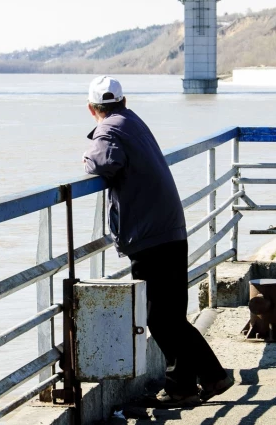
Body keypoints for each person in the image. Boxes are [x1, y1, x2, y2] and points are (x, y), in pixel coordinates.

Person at [82, 75, 233, 406]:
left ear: (92, 108)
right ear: (124, 101)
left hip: (150, 234)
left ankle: (206, 379)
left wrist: (87, 155)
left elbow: (103, 161)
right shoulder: (133, 121)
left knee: (159, 317)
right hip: (168, 228)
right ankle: (194, 383)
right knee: (170, 315)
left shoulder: (109, 129)